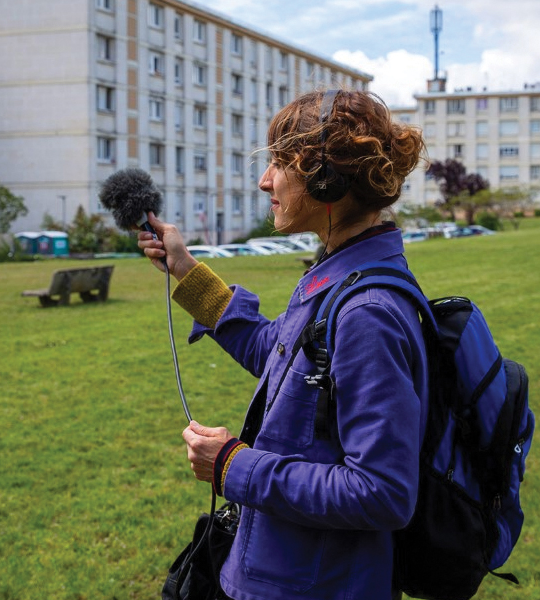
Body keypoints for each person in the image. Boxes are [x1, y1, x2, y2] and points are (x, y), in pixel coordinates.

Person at [139, 89, 427, 600]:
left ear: (325, 179)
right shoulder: (342, 275)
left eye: (279, 163)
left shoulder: (367, 312)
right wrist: (184, 270)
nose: (264, 180)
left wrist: (233, 466)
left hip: (318, 586)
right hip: (287, 571)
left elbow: (382, 493)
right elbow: (278, 350)